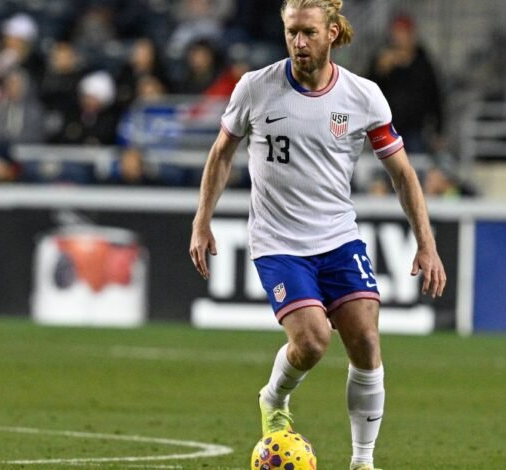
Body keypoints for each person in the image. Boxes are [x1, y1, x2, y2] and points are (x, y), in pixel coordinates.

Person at [188, 2, 446, 469]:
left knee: (366, 341)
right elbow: (221, 153)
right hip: (279, 242)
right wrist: (201, 220)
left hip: (338, 238)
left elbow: (403, 175)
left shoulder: (363, 96)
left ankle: (362, 462)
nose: (298, 43)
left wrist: (426, 244)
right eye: (291, 33)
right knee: (312, 342)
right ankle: (273, 397)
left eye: (308, 33)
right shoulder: (256, 87)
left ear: (332, 33)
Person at [368, 14, 443, 154]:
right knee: (385, 171)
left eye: (402, 32)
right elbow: (368, 90)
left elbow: (435, 96)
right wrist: (378, 71)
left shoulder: (422, 61)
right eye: (395, 32)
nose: (398, 37)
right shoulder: (383, 59)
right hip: (386, 128)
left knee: (415, 170)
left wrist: (439, 129)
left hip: (416, 130)